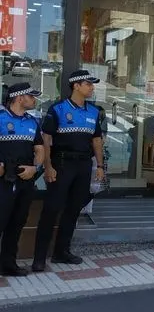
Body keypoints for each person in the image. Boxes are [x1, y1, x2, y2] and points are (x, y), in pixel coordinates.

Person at [32, 70, 105, 271]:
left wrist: (99, 166)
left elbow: (97, 140)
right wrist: (48, 167)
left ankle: (61, 252)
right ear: (76, 86)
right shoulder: (58, 109)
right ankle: (39, 258)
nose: (92, 87)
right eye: (88, 84)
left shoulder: (93, 111)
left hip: (83, 165)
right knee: (51, 210)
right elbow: (46, 140)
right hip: (62, 164)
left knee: (73, 210)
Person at [0, 83, 44, 276]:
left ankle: (8, 264)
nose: (34, 100)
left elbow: (40, 149)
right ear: (19, 98)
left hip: (25, 179)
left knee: (17, 222)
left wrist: (35, 168)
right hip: (3, 180)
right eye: (31, 96)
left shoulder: (32, 122)